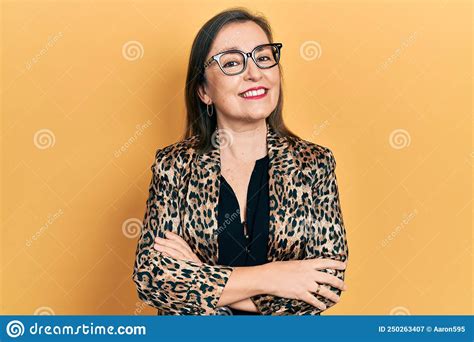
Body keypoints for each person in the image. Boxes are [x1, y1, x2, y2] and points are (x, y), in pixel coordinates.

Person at [132, 7, 349, 315]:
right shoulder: (173, 166)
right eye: (233, 62)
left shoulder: (314, 163)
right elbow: (153, 279)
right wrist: (272, 277)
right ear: (204, 91)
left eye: (263, 57)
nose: (254, 73)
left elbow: (325, 286)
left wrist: (196, 273)